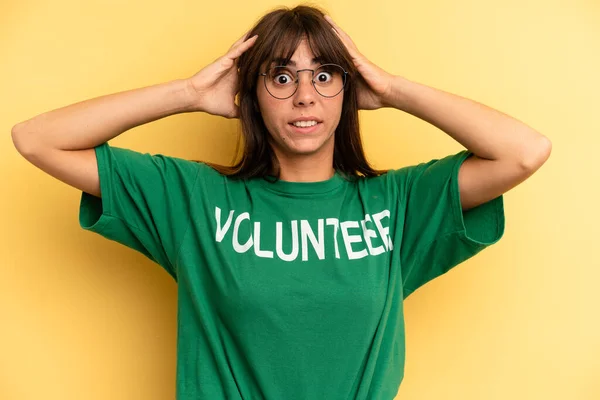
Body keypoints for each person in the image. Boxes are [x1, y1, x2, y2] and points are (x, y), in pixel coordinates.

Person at [11, 5, 551, 400]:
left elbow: (525, 152)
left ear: (348, 88)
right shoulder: (195, 199)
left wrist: (392, 91)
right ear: (250, 92)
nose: (304, 96)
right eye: (280, 76)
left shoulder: (397, 204)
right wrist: (189, 94)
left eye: (324, 75)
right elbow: (37, 139)